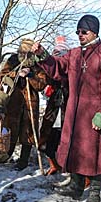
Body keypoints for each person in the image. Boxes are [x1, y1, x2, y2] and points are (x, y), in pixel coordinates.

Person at [31, 14, 101, 202]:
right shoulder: (73, 54)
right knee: (76, 150)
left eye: (84, 32)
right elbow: (57, 68)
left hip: (95, 113)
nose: (80, 35)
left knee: (94, 152)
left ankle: (95, 192)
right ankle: (76, 186)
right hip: (75, 113)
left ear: (95, 32)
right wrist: (42, 54)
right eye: (78, 32)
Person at [0, 39, 48, 171]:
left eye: (26, 52)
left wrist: (30, 75)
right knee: (10, 128)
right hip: (14, 100)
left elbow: (41, 84)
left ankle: (24, 159)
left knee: (29, 130)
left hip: (30, 101)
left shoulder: (38, 63)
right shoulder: (13, 60)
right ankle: (6, 154)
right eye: (22, 52)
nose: (23, 54)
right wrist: (15, 74)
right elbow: (3, 75)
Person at [38, 36, 70, 175]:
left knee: (66, 140)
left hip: (67, 109)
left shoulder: (71, 71)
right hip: (53, 109)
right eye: (56, 54)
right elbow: (41, 84)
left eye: (61, 55)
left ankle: (68, 167)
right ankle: (53, 164)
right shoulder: (48, 71)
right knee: (46, 138)